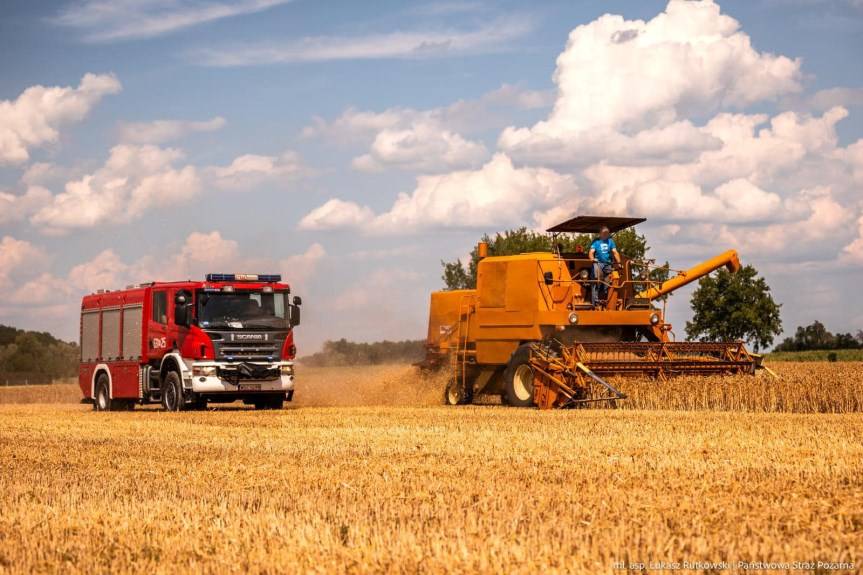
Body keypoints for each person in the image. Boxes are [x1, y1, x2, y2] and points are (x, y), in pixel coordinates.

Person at [588, 225, 621, 306]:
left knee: (608, 283)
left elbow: (615, 252)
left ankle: (607, 302)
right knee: (596, 281)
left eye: (607, 233)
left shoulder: (611, 241)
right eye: (604, 233)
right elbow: (591, 252)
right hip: (598, 263)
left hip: (608, 264)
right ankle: (595, 303)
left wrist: (619, 263)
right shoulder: (596, 241)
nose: (606, 234)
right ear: (600, 233)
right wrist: (592, 259)